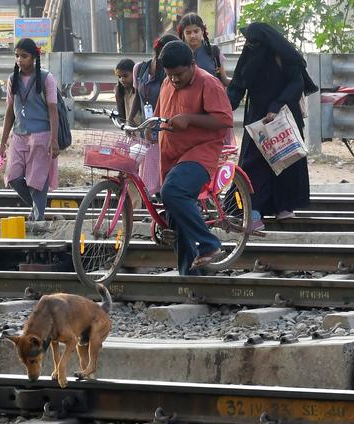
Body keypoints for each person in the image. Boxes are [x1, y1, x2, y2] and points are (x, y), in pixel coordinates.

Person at [155, 40, 234, 276]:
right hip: (172, 155)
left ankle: (209, 243)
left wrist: (189, 119)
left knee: (173, 192)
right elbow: (160, 115)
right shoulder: (167, 83)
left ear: (192, 65)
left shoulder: (208, 82)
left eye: (179, 74)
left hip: (200, 152)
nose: (174, 79)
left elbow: (225, 119)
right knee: (175, 219)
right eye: (170, 75)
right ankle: (190, 279)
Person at [226, 22, 317, 227]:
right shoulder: (250, 54)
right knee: (253, 165)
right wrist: (224, 109)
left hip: (284, 116)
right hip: (257, 119)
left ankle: (284, 207)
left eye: (254, 43)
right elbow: (238, 84)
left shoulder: (285, 57)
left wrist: (276, 105)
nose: (251, 47)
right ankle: (252, 210)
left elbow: (296, 83)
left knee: (287, 161)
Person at [0, 37, 60, 222]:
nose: (19, 60)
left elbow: (53, 110)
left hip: (42, 136)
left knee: (36, 181)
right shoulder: (12, 79)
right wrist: (2, 143)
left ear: (34, 57)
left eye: (24, 56)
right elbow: (10, 111)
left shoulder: (46, 78)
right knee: (13, 177)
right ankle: (38, 210)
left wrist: (54, 140)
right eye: (17, 56)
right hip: (18, 135)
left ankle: (38, 220)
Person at [132, 34, 179, 194]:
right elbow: (137, 97)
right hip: (147, 127)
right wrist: (130, 120)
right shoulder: (140, 69)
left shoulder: (171, 74)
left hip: (165, 129)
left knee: (163, 177)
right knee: (148, 176)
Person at [177, 13, 229, 86]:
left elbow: (224, 80)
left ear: (202, 31)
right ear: (183, 34)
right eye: (188, 33)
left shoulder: (214, 51)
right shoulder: (178, 53)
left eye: (196, 31)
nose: (192, 36)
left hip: (211, 92)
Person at [113, 58, 142, 126]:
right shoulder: (122, 91)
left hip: (141, 128)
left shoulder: (140, 89)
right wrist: (117, 96)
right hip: (129, 128)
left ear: (134, 73)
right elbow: (122, 119)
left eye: (125, 76)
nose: (122, 79)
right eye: (119, 77)